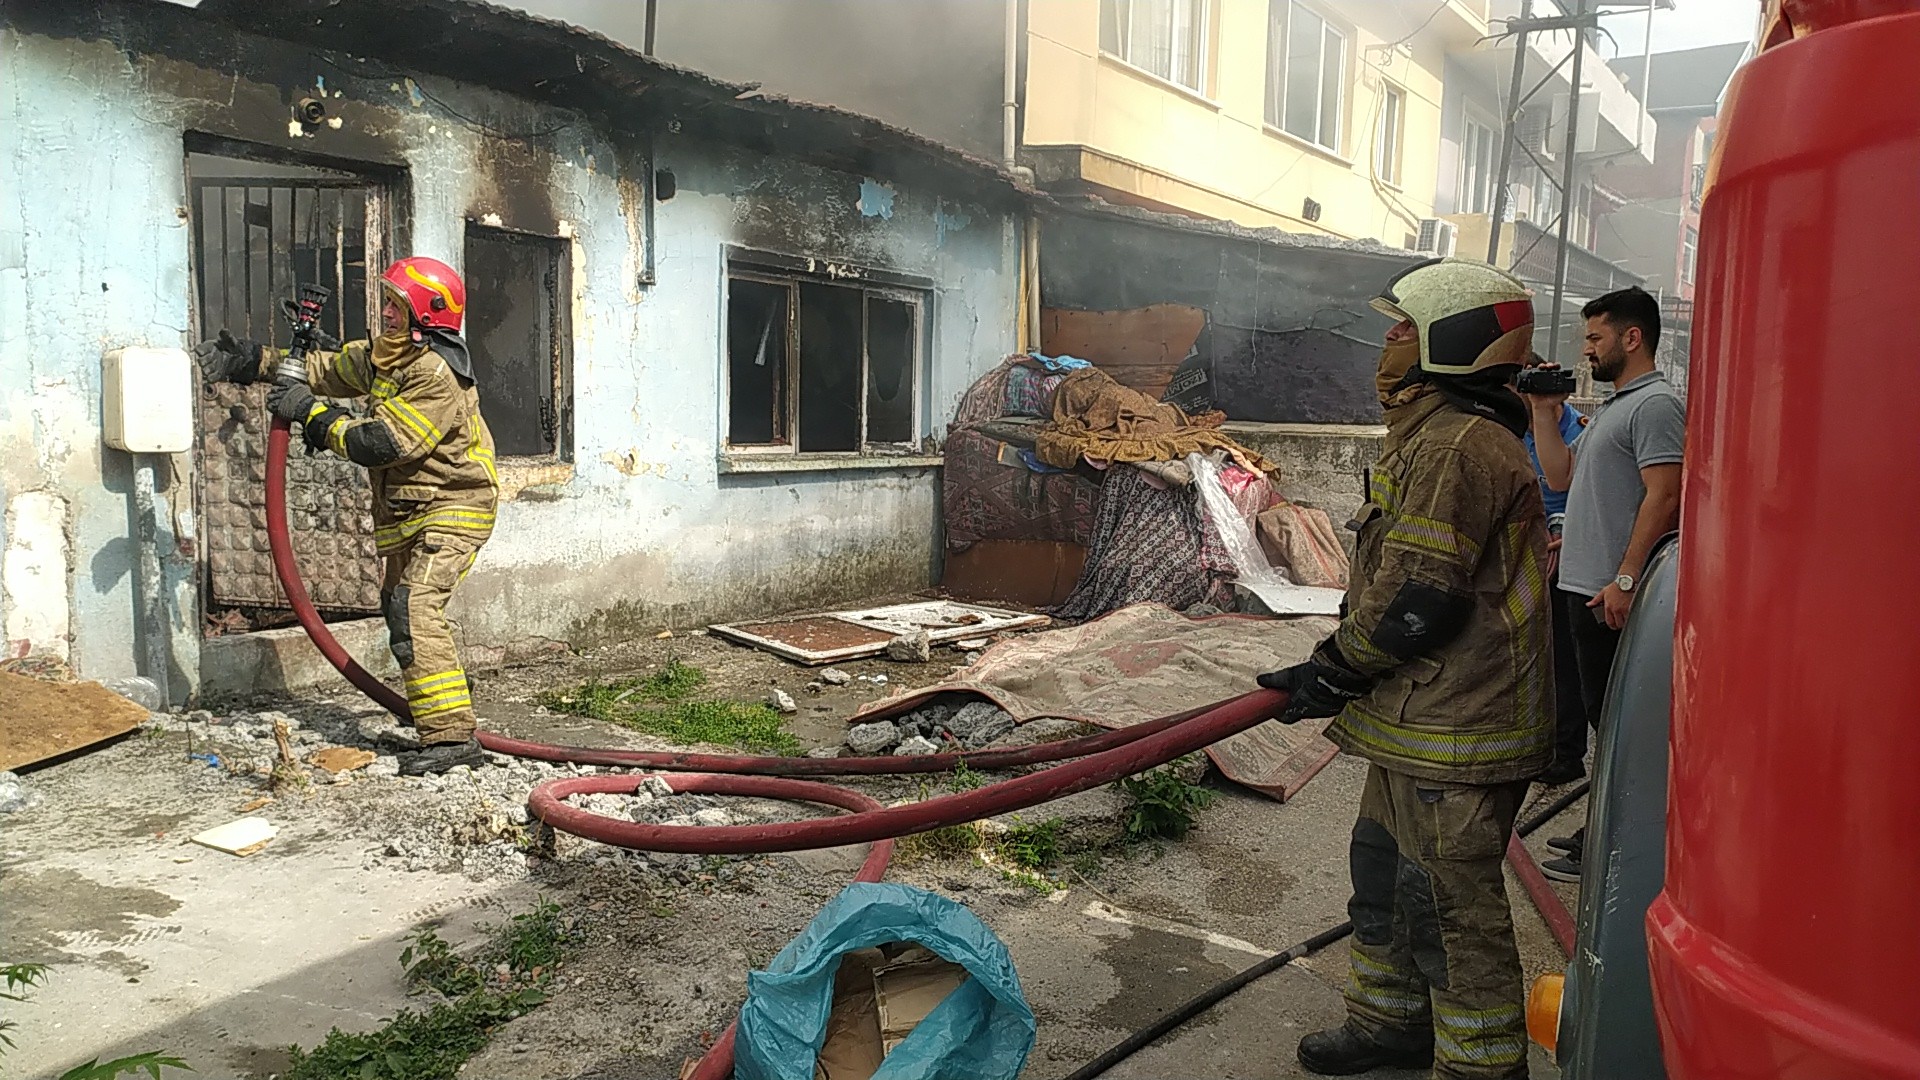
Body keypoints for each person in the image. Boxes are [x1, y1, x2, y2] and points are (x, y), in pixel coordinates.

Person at [1259, 258, 1552, 1080]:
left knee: (1448, 910)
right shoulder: (1433, 435)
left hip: (1460, 726)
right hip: (1417, 719)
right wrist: (1337, 670)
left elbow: (1421, 596)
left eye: (1402, 329)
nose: (1384, 344)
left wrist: (1334, 668)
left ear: (1450, 345)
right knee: (1384, 877)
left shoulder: (1460, 447)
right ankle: (1390, 1025)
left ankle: (1483, 1069)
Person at [195, 257, 500, 776]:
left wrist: (310, 415)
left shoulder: (433, 374)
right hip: (412, 509)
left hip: (455, 507)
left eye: (394, 306)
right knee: (400, 609)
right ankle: (440, 719)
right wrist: (251, 360)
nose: (383, 312)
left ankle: (452, 738)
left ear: (423, 315)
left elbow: (379, 443)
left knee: (414, 606)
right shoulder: (389, 357)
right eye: (385, 302)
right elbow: (323, 370)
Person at [1525, 285, 1684, 881]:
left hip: (1610, 595)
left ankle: (1619, 850)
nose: (1586, 350)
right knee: (1601, 721)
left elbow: (1665, 495)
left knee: (1621, 727)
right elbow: (1563, 477)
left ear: (1631, 337)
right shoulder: (1615, 408)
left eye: (1595, 337)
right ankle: (1605, 835)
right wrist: (1544, 410)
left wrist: (1624, 577)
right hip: (1582, 585)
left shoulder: (1655, 406)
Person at [1519, 354, 1590, 786]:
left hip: (1562, 554)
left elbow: (1582, 491)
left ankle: (1566, 753)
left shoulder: (1577, 432)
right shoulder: (1511, 430)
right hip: (1525, 547)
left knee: (1564, 658)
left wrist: (1563, 532)